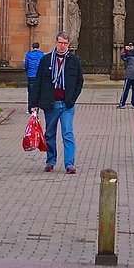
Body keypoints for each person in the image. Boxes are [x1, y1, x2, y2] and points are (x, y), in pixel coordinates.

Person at [30, 31, 84, 174]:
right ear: (56, 42)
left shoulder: (74, 60)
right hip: (51, 103)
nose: (63, 46)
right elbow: (38, 83)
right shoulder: (46, 60)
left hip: (67, 104)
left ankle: (69, 164)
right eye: (60, 43)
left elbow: (80, 81)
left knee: (67, 133)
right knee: (50, 134)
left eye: (65, 44)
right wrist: (33, 104)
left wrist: (72, 98)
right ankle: (51, 161)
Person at [24, 41, 44, 111]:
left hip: (31, 75)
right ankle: (37, 108)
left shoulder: (28, 55)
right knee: (38, 92)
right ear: (38, 47)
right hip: (39, 76)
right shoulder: (41, 55)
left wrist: (28, 70)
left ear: (32, 47)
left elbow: (26, 65)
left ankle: (30, 109)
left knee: (31, 92)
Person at [118, 43, 134, 108]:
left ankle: (122, 104)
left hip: (129, 74)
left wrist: (126, 51)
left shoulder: (129, 54)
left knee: (126, 89)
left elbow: (123, 57)